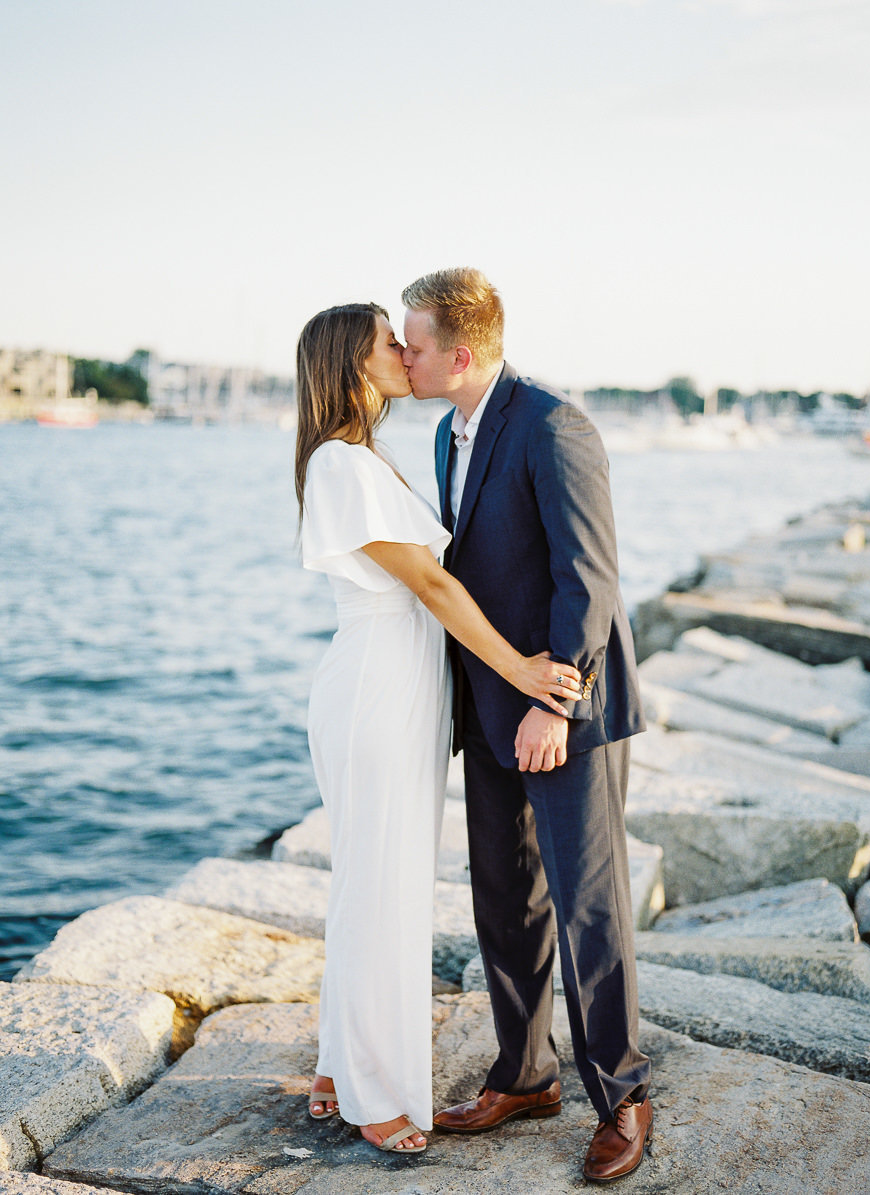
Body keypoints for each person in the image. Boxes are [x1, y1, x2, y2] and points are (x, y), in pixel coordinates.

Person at [294, 302, 580, 1156]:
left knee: (369, 882)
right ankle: (373, 1093)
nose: (402, 351)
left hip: (397, 687)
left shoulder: (362, 457)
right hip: (377, 690)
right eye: (388, 340)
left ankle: (338, 1063)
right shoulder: (344, 464)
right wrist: (521, 669)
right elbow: (433, 585)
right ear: (353, 362)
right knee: (380, 890)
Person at [400, 268, 653, 1184]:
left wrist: (557, 702)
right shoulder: (444, 430)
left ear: (459, 354)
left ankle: (624, 1096)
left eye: (413, 343)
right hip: (490, 706)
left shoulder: (553, 423)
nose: (402, 354)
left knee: (589, 904)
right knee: (503, 893)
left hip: (563, 706)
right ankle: (525, 1073)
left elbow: (591, 576)